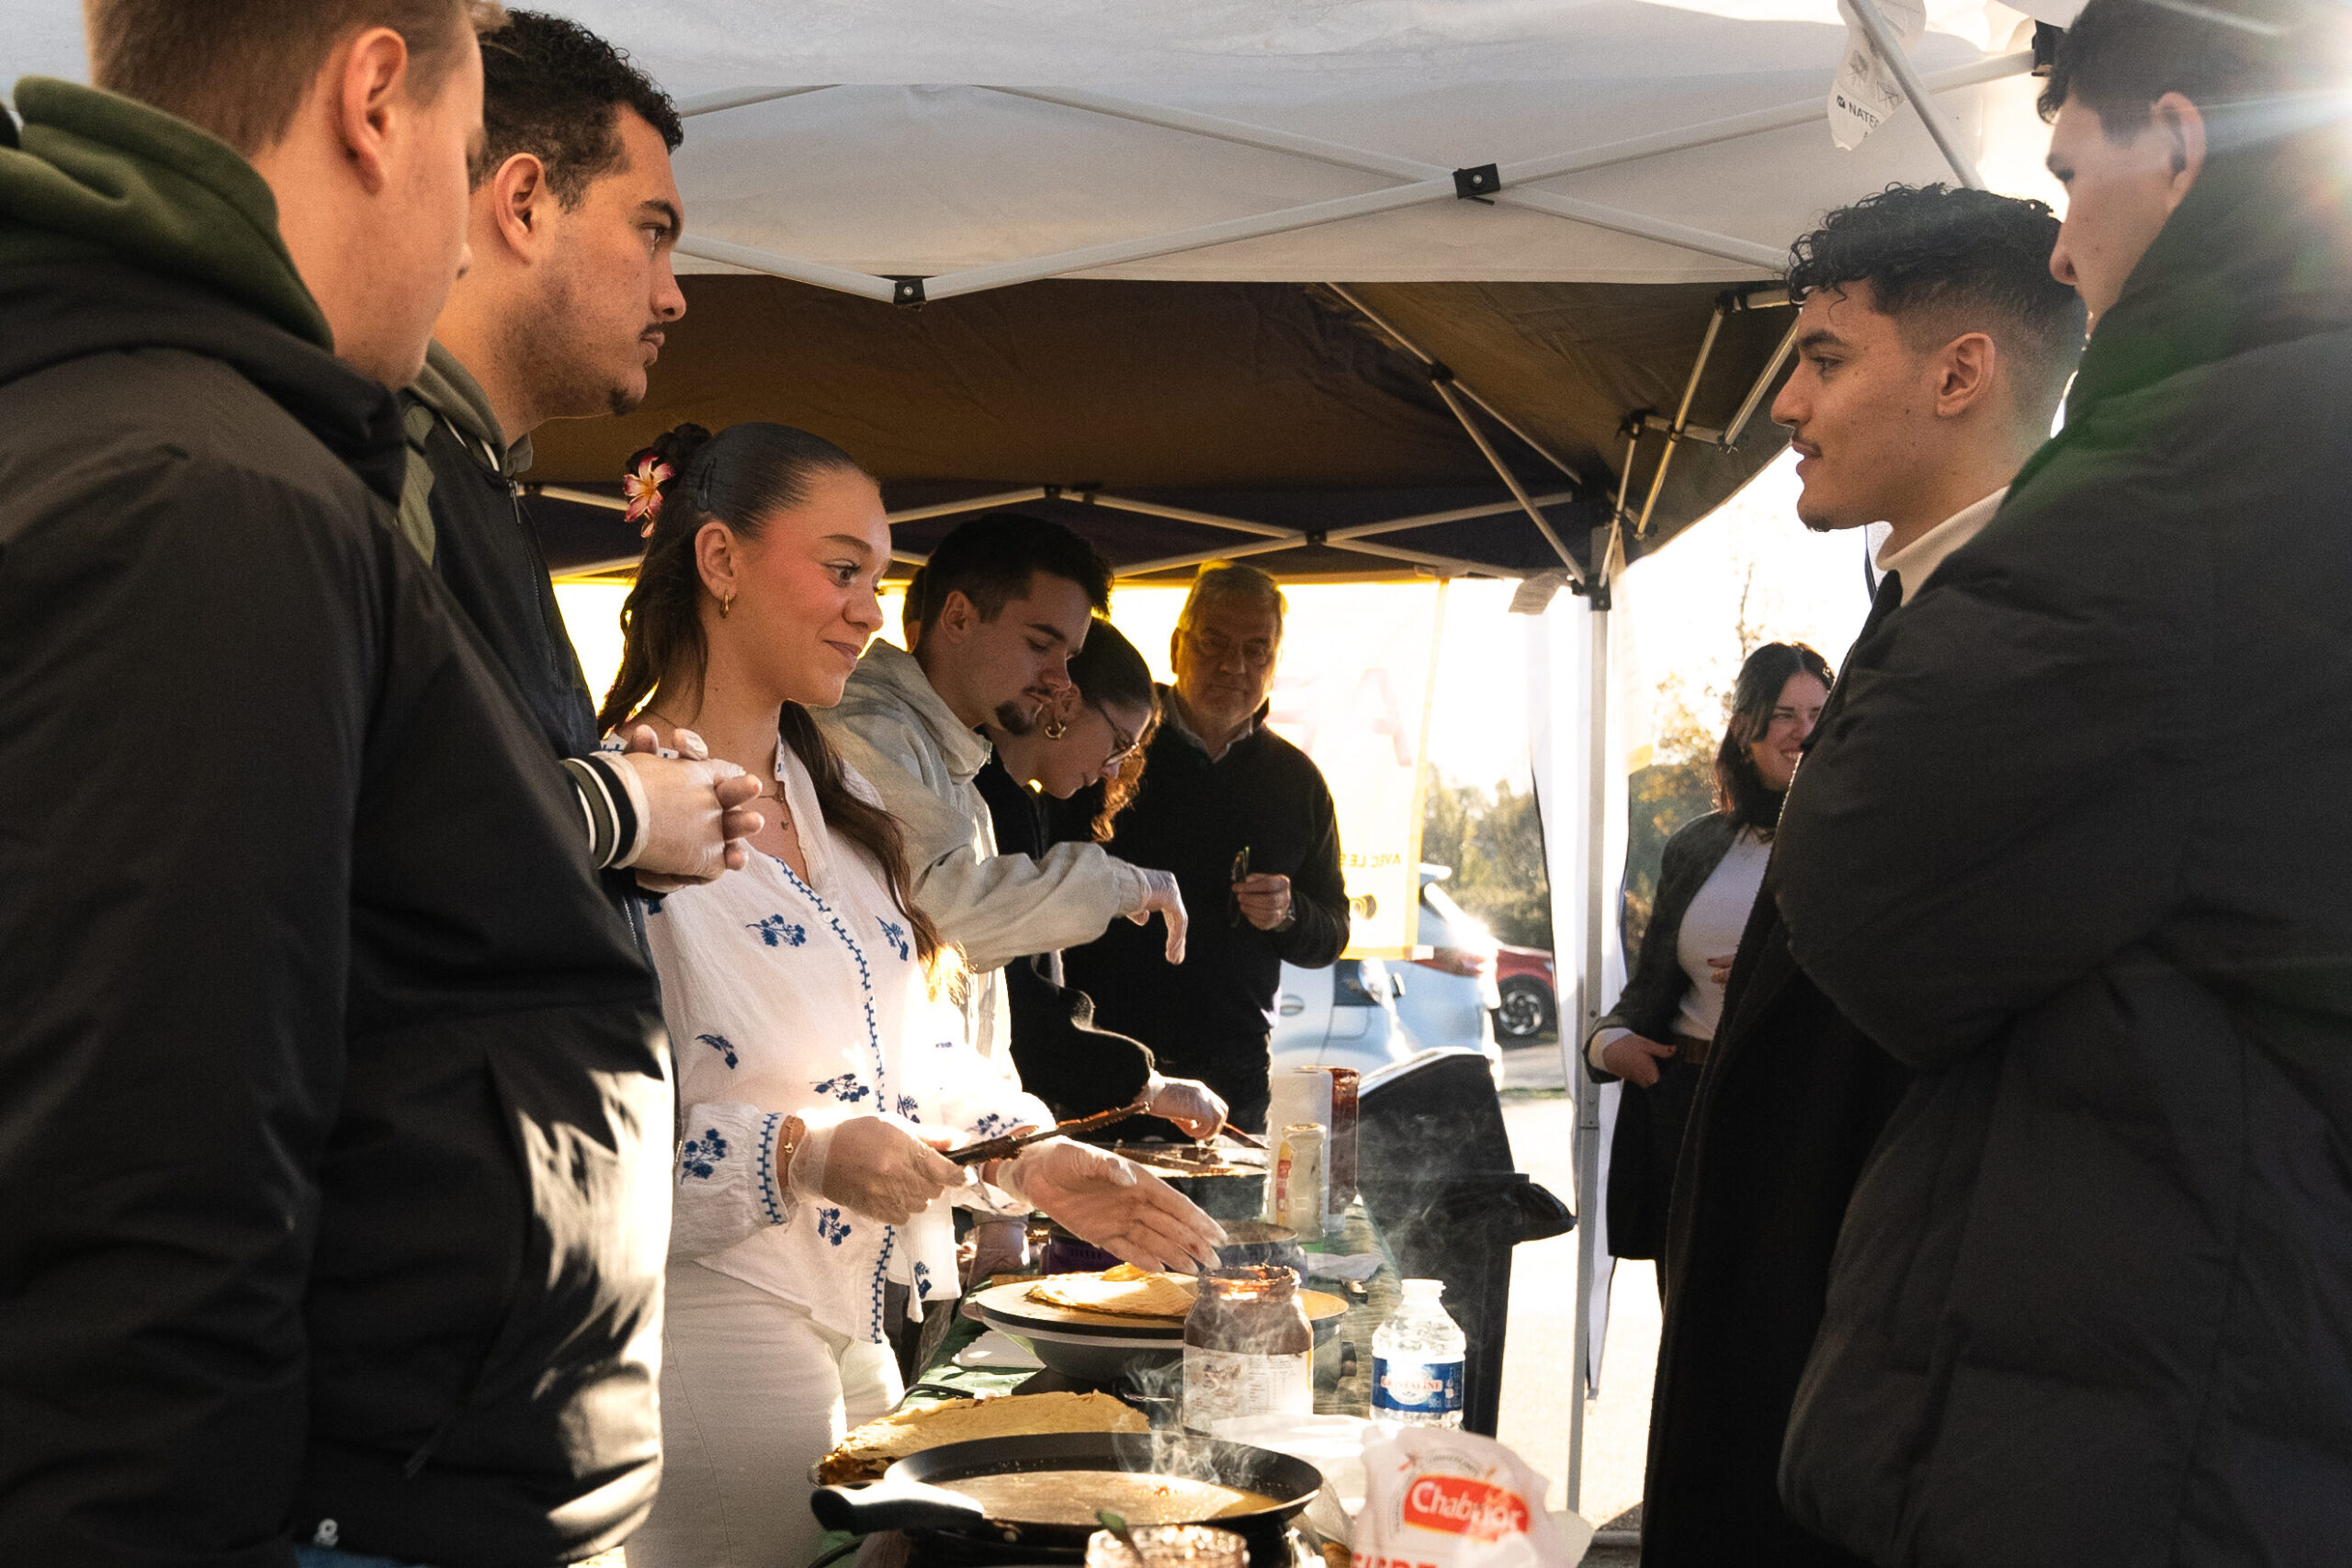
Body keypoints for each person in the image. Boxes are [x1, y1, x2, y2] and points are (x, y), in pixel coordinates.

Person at [0, 6, 682, 1565]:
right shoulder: (205, 494)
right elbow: (143, 1201)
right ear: (376, 100)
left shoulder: (187, 449)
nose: (455, 255)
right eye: (460, 165)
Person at [1772, 4, 2352, 1562]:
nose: (2068, 249)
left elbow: (1868, 885)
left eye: (2071, 171)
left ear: (2175, 140)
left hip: (2142, 1393)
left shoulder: (2194, 465)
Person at [594, 423, 1225, 1568]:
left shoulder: (833, 800)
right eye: (840, 569)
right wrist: (801, 1154)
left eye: (873, 579)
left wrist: (1030, 1158)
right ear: (722, 560)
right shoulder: (614, 818)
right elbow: (586, 1147)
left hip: (855, 1318)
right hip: (709, 1328)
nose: (867, 610)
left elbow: (910, 1046)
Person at [1640, 185, 2084, 1568]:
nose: (1784, 402)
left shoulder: (2050, 641)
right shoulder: (1925, 610)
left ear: (1962, 371)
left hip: (1886, 1377)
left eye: (1826, 357)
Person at [408, 10, 757, 919]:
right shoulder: (377, 469)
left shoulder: (472, 474)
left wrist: (604, 781)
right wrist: (621, 808)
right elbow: (331, 826)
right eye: (652, 232)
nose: (674, 296)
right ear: (523, 203)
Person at [815, 514, 1204, 1126]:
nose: (1058, 680)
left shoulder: (957, 769)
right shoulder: (866, 728)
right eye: (1040, 643)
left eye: (1069, 656)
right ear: (959, 617)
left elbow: (976, 1011)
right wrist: (1123, 883)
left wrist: (1006, 1162)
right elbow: (938, 914)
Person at [1063, 561, 1351, 1134]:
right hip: (1099, 1051)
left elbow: (1333, 932)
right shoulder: (1113, 741)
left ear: (1274, 664)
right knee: (1091, 1220)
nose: (1233, 666)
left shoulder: (1298, 782)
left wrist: (1288, 913)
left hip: (1231, 1067)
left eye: (1256, 650)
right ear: (1176, 646)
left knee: (1223, 1227)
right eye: (1214, 643)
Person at [1584, 642, 1829, 1291]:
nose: (1804, 731)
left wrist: (1783, 973)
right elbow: (1650, 990)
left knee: (1784, 1331)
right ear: (1747, 726)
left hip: (1801, 1113)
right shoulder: (1695, 846)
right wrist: (1608, 1043)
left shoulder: (1860, 842)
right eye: (1784, 713)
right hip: (1687, 1113)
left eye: (1818, 713)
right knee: (1691, 1327)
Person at [977, 618, 1226, 1126]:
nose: (1115, 769)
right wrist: (1146, 1083)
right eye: (1117, 743)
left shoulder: (1028, 801)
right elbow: (1020, 1012)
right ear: (1066, 705)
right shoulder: (989, 797)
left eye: (1127, 755)